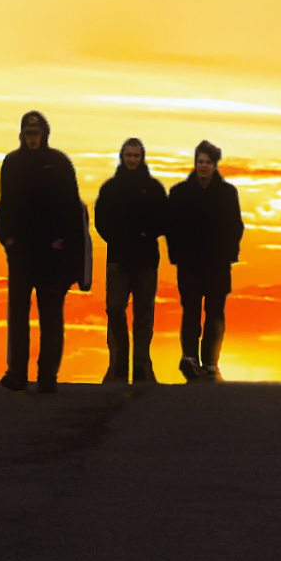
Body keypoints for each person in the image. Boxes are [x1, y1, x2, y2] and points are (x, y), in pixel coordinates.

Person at [0, 110, 87, 389]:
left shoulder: (58, 163)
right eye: (28, 133)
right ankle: (17, 373)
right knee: (18, 315)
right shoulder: (11, 163)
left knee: (51, 317)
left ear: (44, 134)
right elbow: (4, 205)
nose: (32, 138)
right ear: (22, 134)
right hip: (20, 253)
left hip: (52, 255)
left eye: (36, 133)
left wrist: (64, 244)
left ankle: (48, 375)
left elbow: (72, 208)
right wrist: (7, 238)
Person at [164, 140, 244, 380]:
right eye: (200, 162)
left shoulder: (228, 193)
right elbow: (170, 226)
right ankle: (189, 357)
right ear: (195, 163)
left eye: (208, 162)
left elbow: (236, 226)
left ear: (215, 164)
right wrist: (177, 255)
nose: (203, 166)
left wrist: (229, 253)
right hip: (189, 264)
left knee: (215, 312)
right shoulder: (179, 192)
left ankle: (210, 361)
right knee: (190, 311)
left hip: (218, 264)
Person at [92, 138, 166, 386]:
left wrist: (146, 233)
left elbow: (164, 220)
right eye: (128, 155)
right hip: (117, 260)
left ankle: (142, 366)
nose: (132, 160)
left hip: (146, 261)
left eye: (136, 156)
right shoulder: (110, 188)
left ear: (142, 157)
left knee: (144, 313)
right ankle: (118, 364)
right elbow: (100, 221)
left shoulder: (154, 188)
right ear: (122, 157)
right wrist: (118, 238)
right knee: (115, 310)